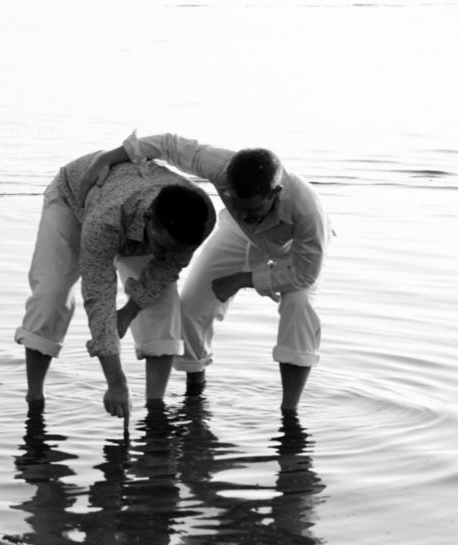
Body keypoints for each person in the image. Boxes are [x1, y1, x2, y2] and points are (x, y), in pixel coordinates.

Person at [81, 132, 331, 413]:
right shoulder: (222, 166)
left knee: (299, 307)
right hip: (237, 235)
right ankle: (195, 393)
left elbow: (304, 275)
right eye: (237, 204)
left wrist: (242, 280)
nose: (245, 214)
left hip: (291, 248)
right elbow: (169, 145)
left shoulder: (308, 210)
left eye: (253, 209)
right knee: (188, 308)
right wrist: (110, 156)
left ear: (275, 194)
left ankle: (289, 413)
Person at [16, 149, 216, 424]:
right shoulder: (104, 222)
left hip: (134, 208)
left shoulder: (202, 216)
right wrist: (116, 382)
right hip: (74, 202)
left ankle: (154, 412)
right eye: (161, 247)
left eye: (175, 249)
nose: (160, 255)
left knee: (164, 306)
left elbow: (167, 267)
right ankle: (35, 400)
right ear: (149, 220)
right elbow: (98, 296)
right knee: (51, 295)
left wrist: (129, 311)